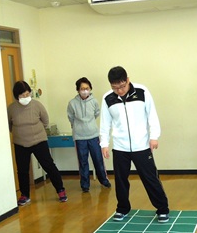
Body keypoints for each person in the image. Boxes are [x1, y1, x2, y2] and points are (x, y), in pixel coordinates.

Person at [99, 66, 170, 223]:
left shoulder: (142, 91)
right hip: (120, 147)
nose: (119, 91)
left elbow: (152, 115)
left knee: (150, 178)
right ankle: (122, 208)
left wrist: (154, 136)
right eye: (115, 88)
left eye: (122, 86)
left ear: (128, 80)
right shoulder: (107, 98)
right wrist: (104, 143)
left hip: (142, 145)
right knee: (120, 181)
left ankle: (162, 209)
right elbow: (105, 123)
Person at [8, 80, 67, 205]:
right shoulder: (11, 109)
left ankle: (60, 190)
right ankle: (25, 195)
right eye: (22, 95)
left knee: (49, 166)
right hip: (20, 143)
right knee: (22, 170)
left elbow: (45, 121)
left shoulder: (37, 105)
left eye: (27, 94)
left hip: (39, 141)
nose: (26, 97)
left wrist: (36, 132)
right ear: (17, 96)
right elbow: (9, 125)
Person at [67, 77, 111, 192]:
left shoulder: (94, 101)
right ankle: (85, 185)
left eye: (87, 88)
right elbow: (71, 117)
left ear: (90, 89)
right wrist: (78, 126)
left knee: (98, 159)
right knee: (83, 162)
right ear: (78, 90)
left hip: (93, 135)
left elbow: (96, 114)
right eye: (82, 88)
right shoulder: (72, 103)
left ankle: (104, 180)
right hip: (79, 137)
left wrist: (89, 124)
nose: (85, 91)